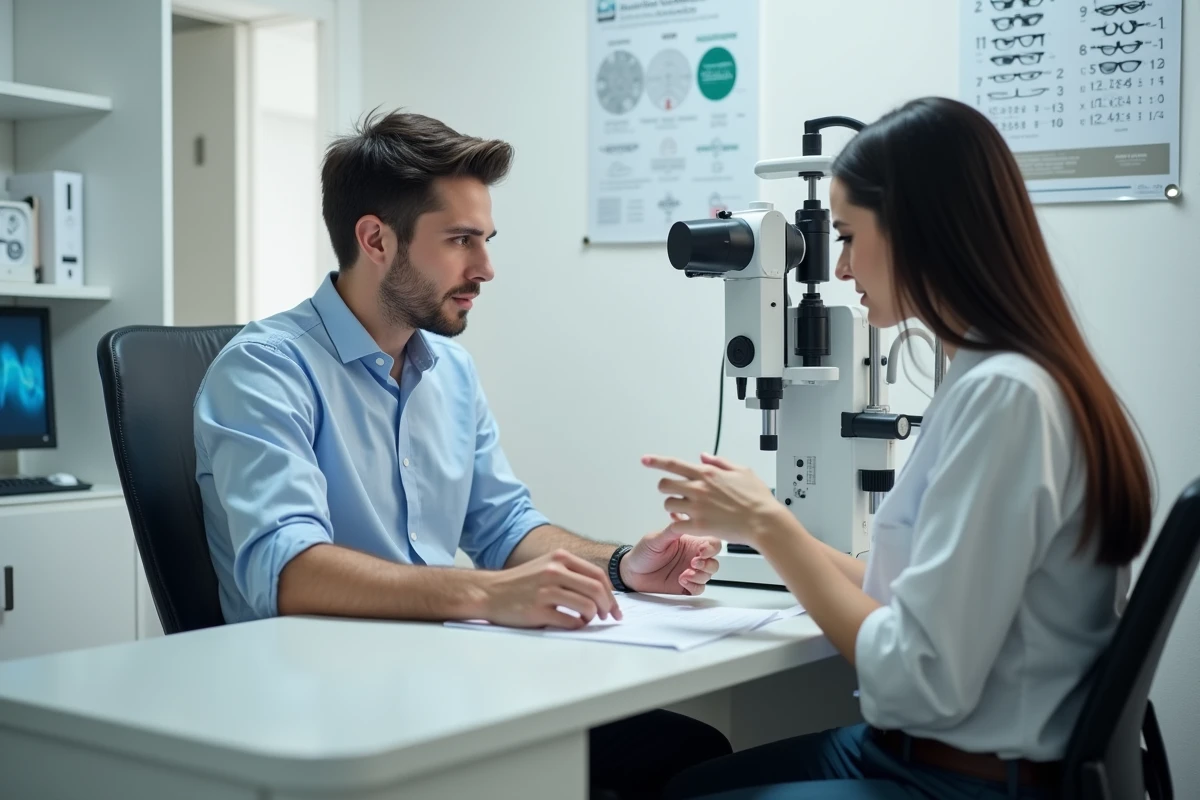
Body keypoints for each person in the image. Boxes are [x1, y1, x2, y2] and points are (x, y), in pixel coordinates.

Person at [193, 110, 731, 800]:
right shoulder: (265, 370)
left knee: (687, 756)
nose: (486, 267)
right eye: (460, 241)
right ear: (375, 239)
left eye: (486, 240)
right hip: (321, 706)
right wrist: (486, 594)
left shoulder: (449, 370)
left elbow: (504, 529)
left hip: (437, 679)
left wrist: (623, 566)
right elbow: (289, 572)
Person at [645, 97, 1153, 800]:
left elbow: (921, 682)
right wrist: (753, 519)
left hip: (965, 779)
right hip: (909, 754)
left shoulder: (1007, 395)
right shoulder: (988, 373)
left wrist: (768, 526)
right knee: (685, 780)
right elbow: (906, 587)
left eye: (850, 237)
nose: (844, 269)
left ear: (919, 232)